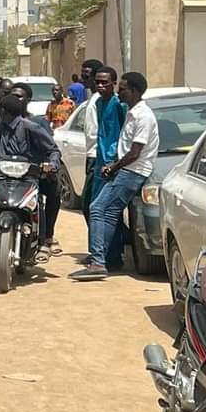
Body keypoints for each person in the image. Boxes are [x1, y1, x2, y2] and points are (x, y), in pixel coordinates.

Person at [73, 72, 157, 281]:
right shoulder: (132, 112)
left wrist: (114, 166)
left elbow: (135, 152)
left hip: (132, 171)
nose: (119, 92)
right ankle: (103, 260)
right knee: (109, 213)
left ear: (135, 91)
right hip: (125, 169)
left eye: (123, 88)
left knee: (97, 207)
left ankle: (97, 261)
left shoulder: (143, 116)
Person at [0, 85, 60, 253]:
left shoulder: (32, 126)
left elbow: (53, 150)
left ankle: (46, 236)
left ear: (3, 110)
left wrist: (51, 165)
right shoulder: (1, 126)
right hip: (4, 172)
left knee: (51, 190)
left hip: (30, 174)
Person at [81, 66, 126, 264]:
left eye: (104, 82)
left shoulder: (118, 105)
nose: (100, 86)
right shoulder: (99, 103)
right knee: (96, 209)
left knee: (104, 210)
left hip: (113, 164)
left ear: (113, 83)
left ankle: (109, 256)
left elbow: (124, 133)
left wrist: (116, 162)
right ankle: (104, 255)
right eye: (97, 82)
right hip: (100, 162)